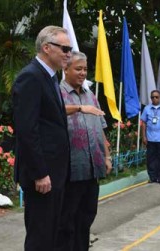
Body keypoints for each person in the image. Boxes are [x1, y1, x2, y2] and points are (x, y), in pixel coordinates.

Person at [12, 26, 72, 250]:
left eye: (70, 49)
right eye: (64, 48)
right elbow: (27, 130)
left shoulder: (50, 78)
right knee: (40, 237)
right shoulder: (31, 77)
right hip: (42, 177)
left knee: (52, 235)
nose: (68, 53)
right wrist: (40, 173)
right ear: (47, 48)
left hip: (55, 173)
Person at [55, 51, 112, 251]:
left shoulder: (91, 96)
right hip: (70, 170)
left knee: (87, 217)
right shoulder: (57, 93)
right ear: (66, 69)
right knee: (66, 221)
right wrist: (78, 108)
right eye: (78, 69)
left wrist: (107, 156)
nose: (82, 73)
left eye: (85, 69)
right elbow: (51, 114)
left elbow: (101, 128)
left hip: (92, 168)